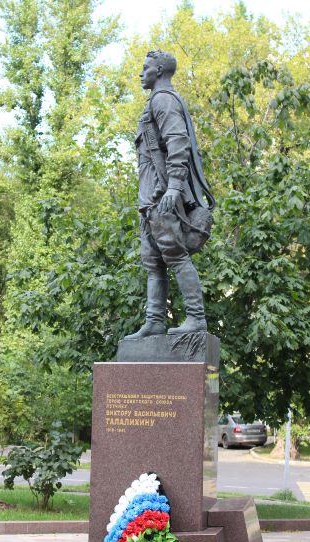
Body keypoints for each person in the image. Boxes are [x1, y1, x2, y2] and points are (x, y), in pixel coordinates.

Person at [124, 49, 214, 340]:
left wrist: (174, 187)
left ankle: (196, 318)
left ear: (159, 70)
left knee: (175, 255)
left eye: (145, 67)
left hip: (163, 194)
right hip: (149, 197)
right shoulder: (155, 102)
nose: (141, 73)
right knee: (153, 261)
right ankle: (154, 321)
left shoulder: (163, 100)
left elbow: (178, 143)